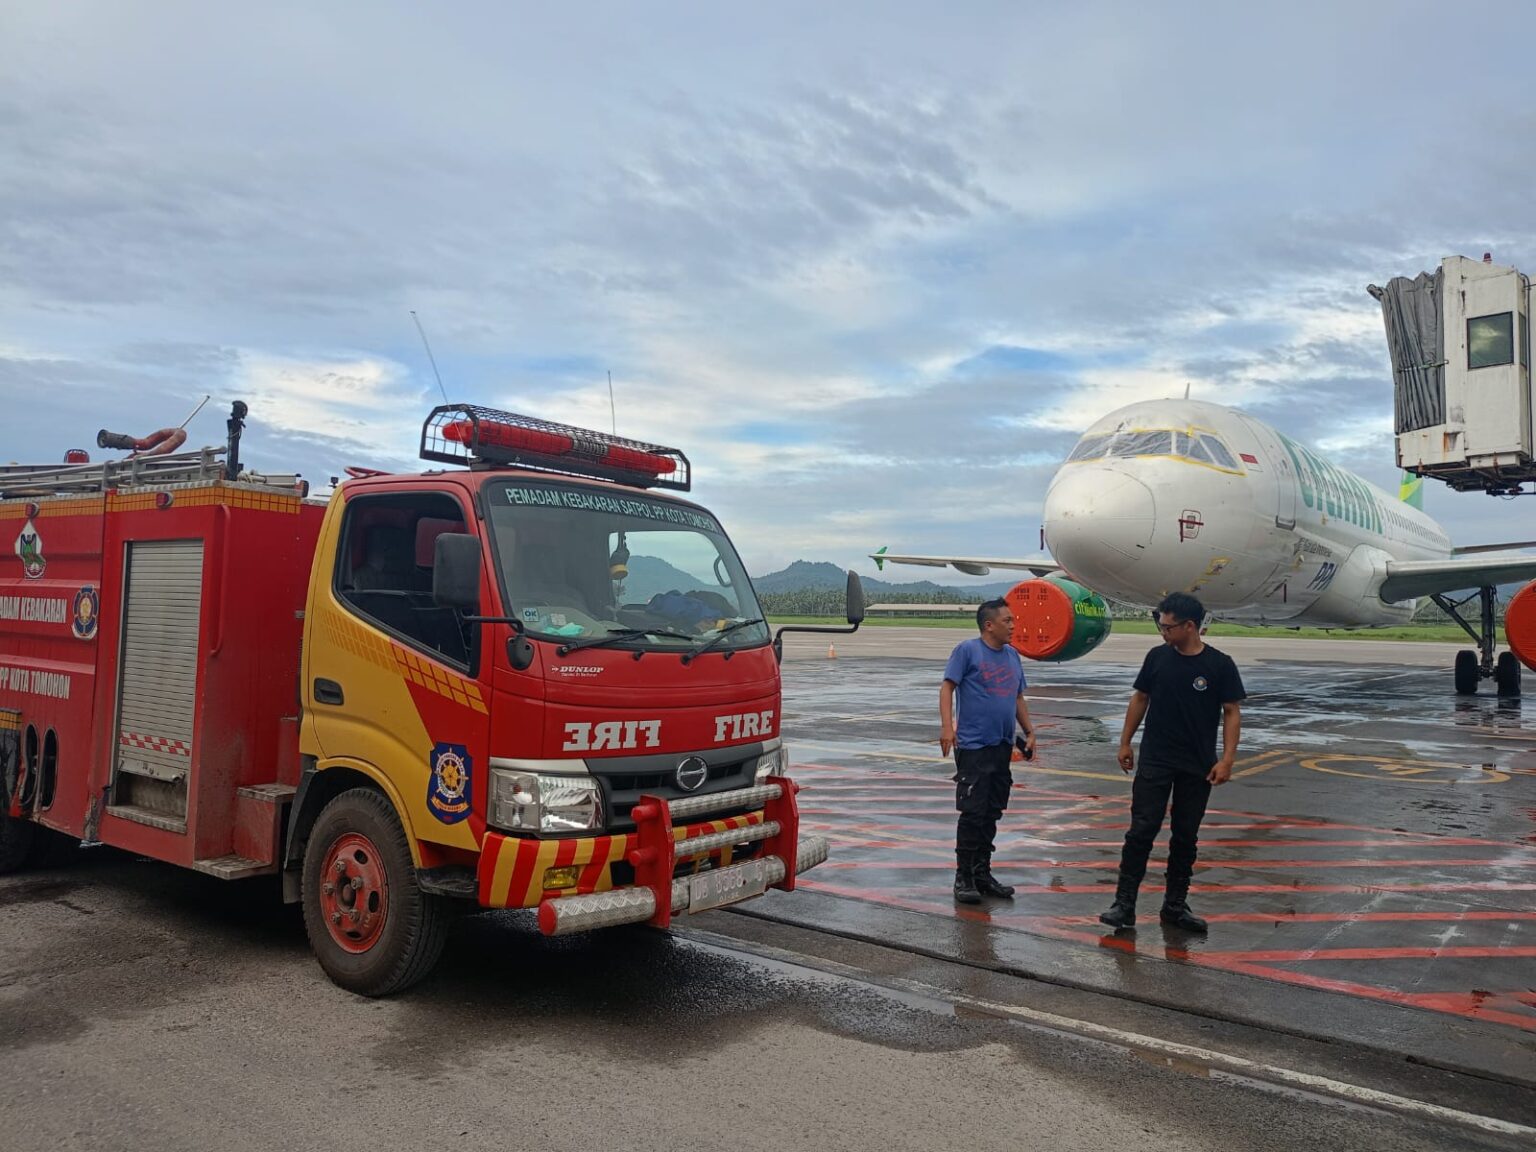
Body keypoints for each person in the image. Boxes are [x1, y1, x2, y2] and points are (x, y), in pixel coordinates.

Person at [1100, 592, 1244, 933]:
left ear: (1189, 626)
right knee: (1141, 831)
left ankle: (1175, 907)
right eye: (1160, 625)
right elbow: (1140, 699)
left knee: (1185, 837)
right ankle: (1124, 905)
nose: (1162, 633)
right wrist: (1124, 742)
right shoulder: (1156, 658)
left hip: (1197, 765)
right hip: (1156, 760)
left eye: (1167, 627)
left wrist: (1227, 759)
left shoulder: (1219, 664)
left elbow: (1231, 712)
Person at [940, 598, 1036, 905]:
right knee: (973, 813)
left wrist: (1030, 731)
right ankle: (963, 877)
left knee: (992, 812)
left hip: (1001, 745)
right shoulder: (967, 651)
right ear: (989, 625)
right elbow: (947, 687)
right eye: (1007, 621)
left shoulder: (1012, 655)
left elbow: (1017, 696)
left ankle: (982, 874)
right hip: (973, 747)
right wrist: (947, 727)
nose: (1013, 625)